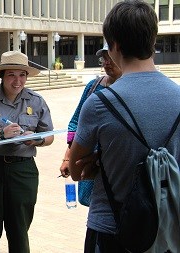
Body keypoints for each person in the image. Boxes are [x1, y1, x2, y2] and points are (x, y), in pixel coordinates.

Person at [68, 1, 180, 252]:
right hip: (168, 230)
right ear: (153, 41)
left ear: (115, 45)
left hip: (111, 229)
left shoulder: (99, 102)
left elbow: (76, 172)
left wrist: (99, 161)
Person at [0, 50, 54, 253]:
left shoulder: (36, 101)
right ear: (2, 75)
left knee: (20, 231)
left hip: (23, 171)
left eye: (22, 75)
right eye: (12, 75)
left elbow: (49, 135)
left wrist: (37, 139)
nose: (17, 81)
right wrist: (0, 133)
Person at [59, 44, 122, 183]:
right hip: (87, 161)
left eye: (110, 58)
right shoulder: (93, 86)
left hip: (117, 163)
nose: (107, 63)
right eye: (104, 59)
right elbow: (76, 122)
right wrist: (68, 157)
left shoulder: (130, 89)